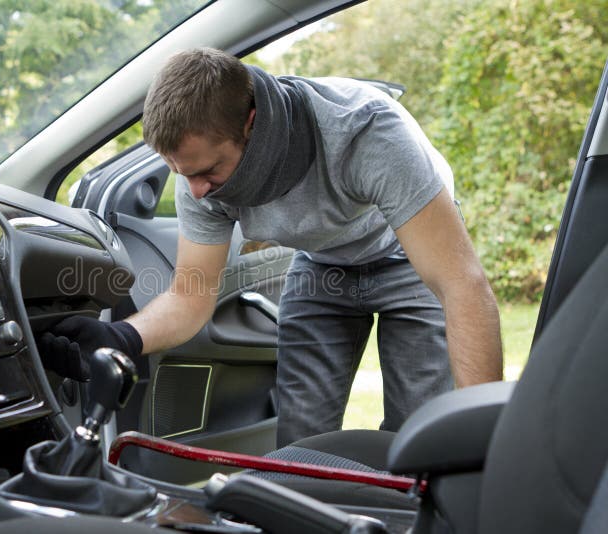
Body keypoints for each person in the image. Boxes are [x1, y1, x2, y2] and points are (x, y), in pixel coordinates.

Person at [40, 47, 503, 447]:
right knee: (301, 439)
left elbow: (461, 284)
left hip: (407, 256)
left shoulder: (365, 132)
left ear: (251, 124)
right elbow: (190, 296)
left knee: (419, 433)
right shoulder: (197, 176)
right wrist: (121, 338)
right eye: (185, 174)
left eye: (207, 172)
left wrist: (480, 440)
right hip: (321, 263)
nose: (197, 190)